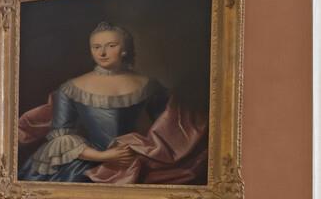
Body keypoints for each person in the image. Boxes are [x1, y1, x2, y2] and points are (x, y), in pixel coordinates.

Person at [18, 22, 206, 185]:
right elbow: (61, 136)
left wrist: (142, 150)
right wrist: (103, 157)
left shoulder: (149, 84)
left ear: (124, 49)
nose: (102, 52)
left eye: (111, 45)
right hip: (84, 162)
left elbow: (166, 127)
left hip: (132, 161)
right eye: (96, 47)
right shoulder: (70, 87)